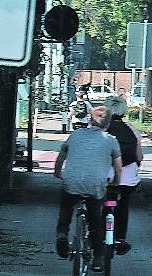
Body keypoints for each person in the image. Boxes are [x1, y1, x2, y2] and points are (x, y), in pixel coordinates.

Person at [55, 103, 122, 265]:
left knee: (66, 206)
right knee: (95, 218)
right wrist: (116, 182)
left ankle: (62, 234)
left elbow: (61, 155)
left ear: (90, 120)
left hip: (72, 181)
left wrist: (57, 173)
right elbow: (118, 167)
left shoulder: (76, 135)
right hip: (95, 184)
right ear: (108, 123)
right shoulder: (111, 140)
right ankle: (98, 257)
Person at [102, 96, 143, 256]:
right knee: (123, 205)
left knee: (98, 203)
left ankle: (96, 236)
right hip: (128, 179)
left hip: (104, 177)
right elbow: (139, 157)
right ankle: (120, 239)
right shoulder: (132, 130)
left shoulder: (101, 130)